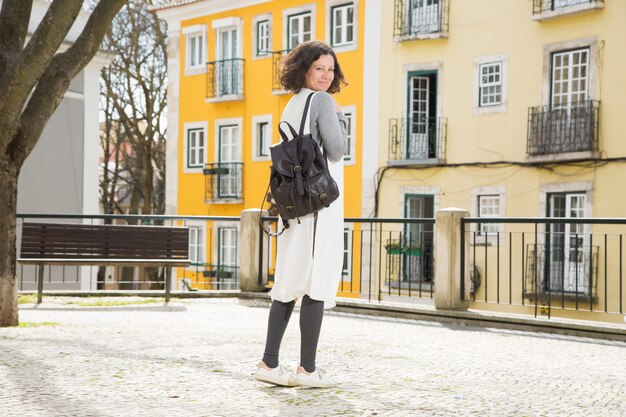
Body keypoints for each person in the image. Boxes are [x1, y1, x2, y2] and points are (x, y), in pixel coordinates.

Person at [254, 40, 348, 388]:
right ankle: (307, 370)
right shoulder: (323, 101)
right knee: (316, 280)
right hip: (319, 204)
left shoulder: (291, 105)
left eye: (330, 69)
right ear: (305, 69)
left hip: (293, 206)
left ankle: (269, 363)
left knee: (289, 279)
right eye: (319, 68)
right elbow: (337, 151)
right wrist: (340, 121)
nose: (325, 75)